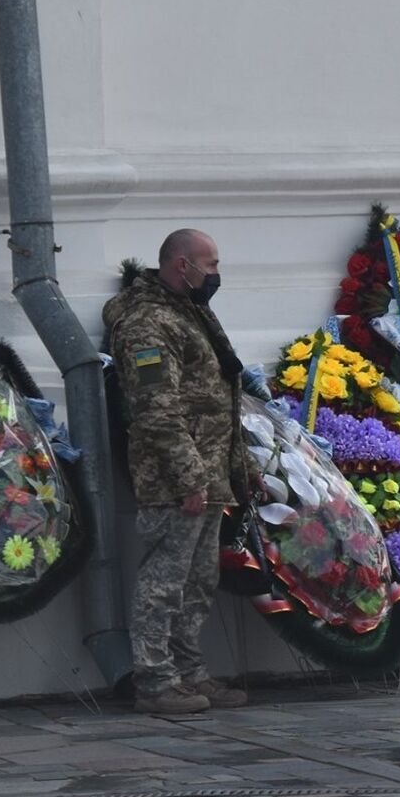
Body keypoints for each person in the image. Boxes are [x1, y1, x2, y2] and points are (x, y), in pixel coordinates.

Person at [103, 230, 254, 716]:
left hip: (208, 474)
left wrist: (235, 468)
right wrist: (191, 478)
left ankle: (190, 676)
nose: (215, 274)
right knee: (163, 582)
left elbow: (216, 396)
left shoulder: (189, 310)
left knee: (198, 582)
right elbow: (156, 409)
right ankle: (154, 680)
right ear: (181, 263)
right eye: (209, 264)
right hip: (176, 480)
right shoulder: (148, 323)